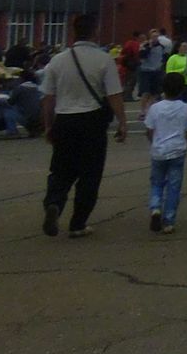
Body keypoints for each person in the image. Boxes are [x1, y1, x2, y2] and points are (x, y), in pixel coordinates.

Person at [38, 14, 127, 238]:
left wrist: (48, 125)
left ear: (73, 31)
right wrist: (122, 122)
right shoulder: (103, 59)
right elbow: (114, 95)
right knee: (90, 173)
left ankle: (54, 204)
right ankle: (78, 222)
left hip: (64, 120)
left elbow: (48, 97)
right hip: (92, 121)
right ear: (95, 31)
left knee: (60, 169)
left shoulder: (57, 60)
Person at [144, 69, 187, 234]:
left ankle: (155, 208)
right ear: (182, 89)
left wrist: (154, 143)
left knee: (157, 183)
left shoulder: (155, 108)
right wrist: (186, 145)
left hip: (158, 150)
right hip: (177, 150)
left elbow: (150, 130)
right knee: (174, 187)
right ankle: (169, 220)